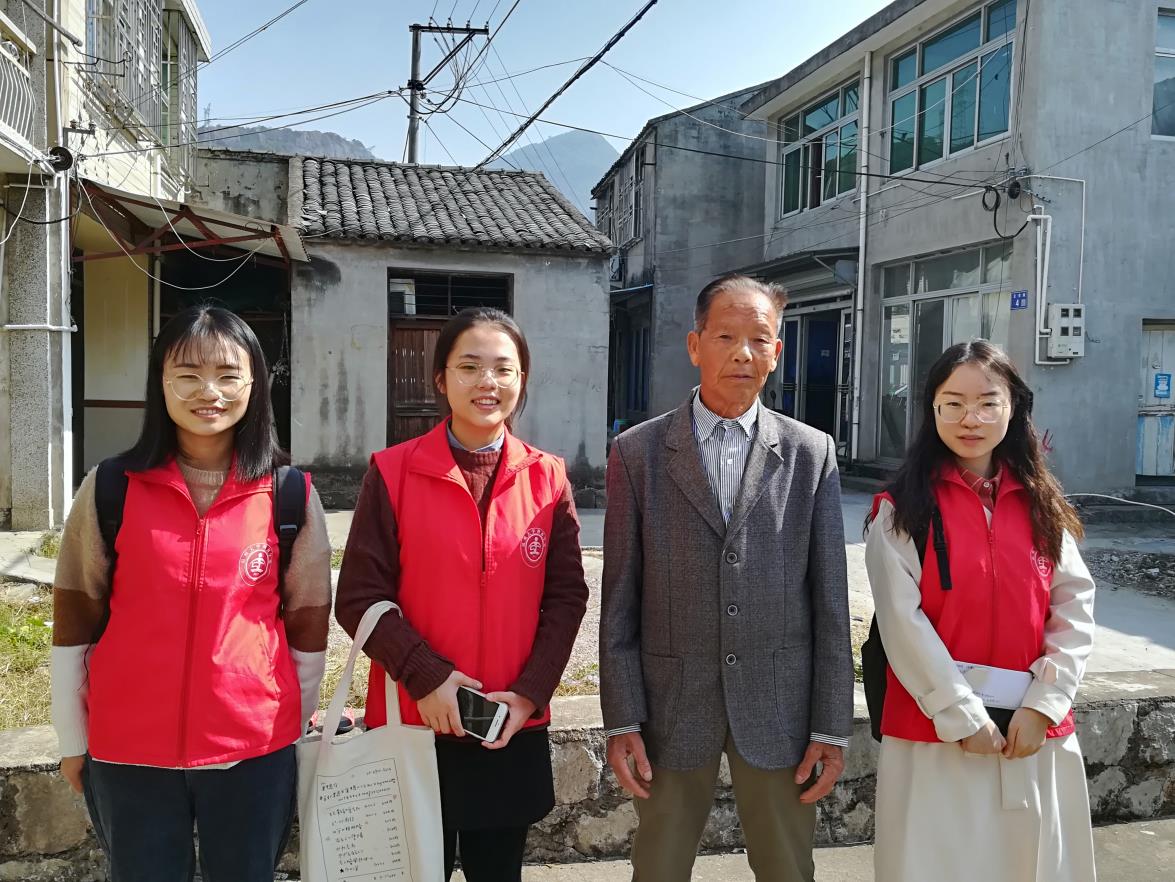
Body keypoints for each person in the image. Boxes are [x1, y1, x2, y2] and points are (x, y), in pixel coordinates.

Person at [50, 305, 332, 882]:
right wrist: (73, 739)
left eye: (228, 375)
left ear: (255, 384)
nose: (209, 392)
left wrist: (292, 734)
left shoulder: (290, 495)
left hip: (254, 748)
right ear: (160, 381)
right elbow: (74, 623)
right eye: (188, 375)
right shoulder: (110, 488)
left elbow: (308, 632)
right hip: (128, 748)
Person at [600, 273, 854, 882]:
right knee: (658, 866)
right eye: (725, 337)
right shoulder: (638, 453)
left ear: (777, 352)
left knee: (787, 867)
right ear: (695, 345)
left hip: (778, 702)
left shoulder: (810, 453)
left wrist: (831, 724)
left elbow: (830, 602)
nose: (743, 353)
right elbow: (620, 601)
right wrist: (623, 718)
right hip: (670, 704)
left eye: (759, 339)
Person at [334, 306, 588, 882]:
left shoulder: (548, 478)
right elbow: (359, 597)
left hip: (506, 724)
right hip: (414, 721)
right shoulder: (392, 472)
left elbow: (567, 597)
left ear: (522, 379)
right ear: (441, 379)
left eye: (503, 368)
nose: (486, 382)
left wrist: (528, 695)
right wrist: (426, 678)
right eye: (469, 367)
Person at [864, 340, 1096, 882]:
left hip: (1031, 733)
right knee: (936, 863)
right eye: (954, 403)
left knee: (1030, 863)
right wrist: (960, 714)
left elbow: (1073, 606)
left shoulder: (1042, 504)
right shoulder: (901, 510)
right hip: (936, 733)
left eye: (988, 403)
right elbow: (902, 624)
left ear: (1014, 408)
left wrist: (1046, 704)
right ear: (932, 409)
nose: (971, 419)